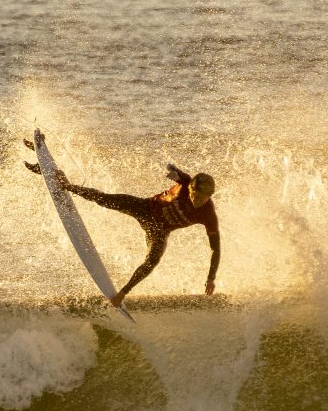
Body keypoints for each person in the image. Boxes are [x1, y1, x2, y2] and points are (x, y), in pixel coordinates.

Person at [25, 131, 220, 308]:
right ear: (191, 188)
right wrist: (173, 170)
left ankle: (122, 294)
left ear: (209, 197)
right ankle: (64, 183)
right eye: (194, 195)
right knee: (104, 199)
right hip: (145, 209)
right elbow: (177, 171)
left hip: (159, 231)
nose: (195, 200)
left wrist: (211, 278)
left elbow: (215, 249)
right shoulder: (186, 182)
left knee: (152, 261)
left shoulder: (208, 215)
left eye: (201, 199)